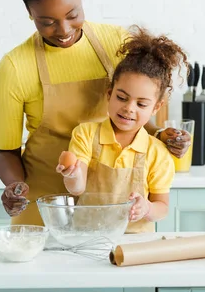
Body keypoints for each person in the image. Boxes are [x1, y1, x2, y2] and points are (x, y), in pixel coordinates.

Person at [0, 0, 191, 226]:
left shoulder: (115, 42)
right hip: (46, 206)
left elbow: (132, 109)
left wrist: (162, 136)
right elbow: (6, 151)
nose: (63, 30)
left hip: (108, 205)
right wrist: (14, 186)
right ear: (29, 13)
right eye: (46, 22)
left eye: (73, 15)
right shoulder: (14, 67)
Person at [55, 26, 190, 233]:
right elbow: (78, 188)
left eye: (141, 104)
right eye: (121, 97)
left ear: (156, 107)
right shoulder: (86, 134)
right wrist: (71, 174)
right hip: (88, 238)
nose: (129, 108)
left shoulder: (157, 153)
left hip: (136, 245)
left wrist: (147, 208)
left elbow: (162, 208)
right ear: (109, 94)